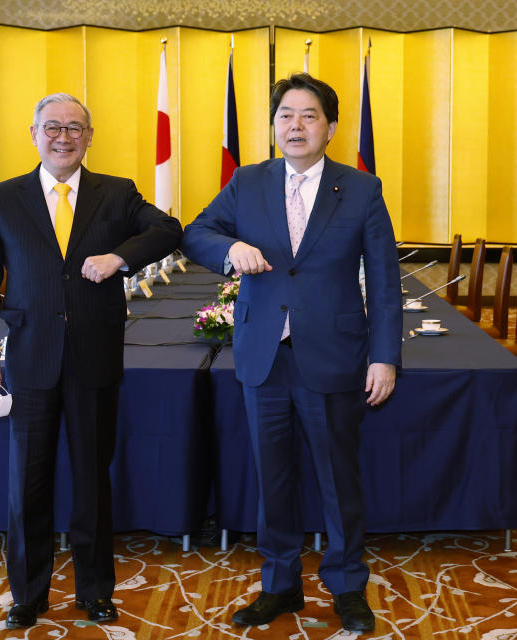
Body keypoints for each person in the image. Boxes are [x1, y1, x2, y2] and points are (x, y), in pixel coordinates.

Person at [181, 73, 402, 634]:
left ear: (329, 127)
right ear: (274, 124)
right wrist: (230, 247)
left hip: (334, 354)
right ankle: (279, 585)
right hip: (263, 355)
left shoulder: (361, 188)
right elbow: (196, 232)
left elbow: (382, 278)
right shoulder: (247, 182)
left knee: (338, 478)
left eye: (308, 116)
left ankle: (348, 584)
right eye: (285, 115)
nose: (296, 125)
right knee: (272, 477)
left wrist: (385, 356)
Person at [0, 93, 182, 629]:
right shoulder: (5, 196)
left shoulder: (117, 193)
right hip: (30, 360)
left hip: (93, 360)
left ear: (89, 136)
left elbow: (169, 229)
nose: (63, 137)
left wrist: (119, 258)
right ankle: (27, 594)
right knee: (27, 486)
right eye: (53, 128)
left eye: (74, 128)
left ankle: (94, 590)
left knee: (91, 481)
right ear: (33, 133)